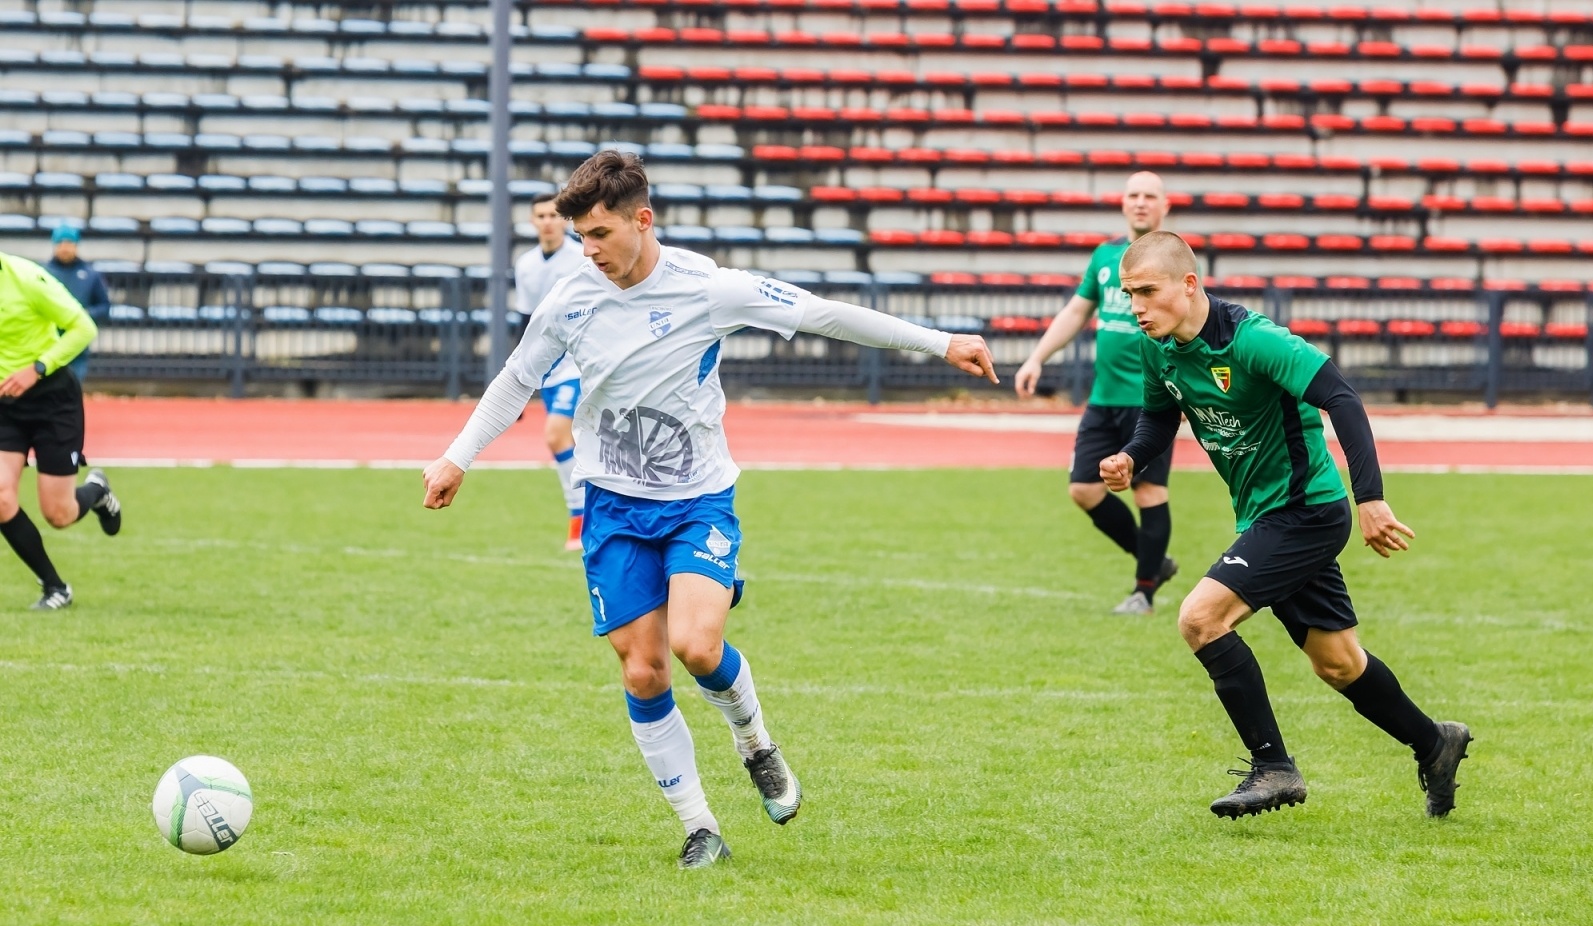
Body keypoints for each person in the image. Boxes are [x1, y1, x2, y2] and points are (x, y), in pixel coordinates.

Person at [423, 151, 998, 867]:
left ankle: (755, 743)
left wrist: (941, 342)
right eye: (579, 237)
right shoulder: (571, 294)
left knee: (698, 646)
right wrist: (458, 455)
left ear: (643, 219)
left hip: (697, 499)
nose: (588, 250)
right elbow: (517, 378)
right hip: (613, 506)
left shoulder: (708, 288)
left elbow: (821, 314)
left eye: (599, 234)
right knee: (643, 671)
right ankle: (700, 827)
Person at [1100, 231, 1470, 819]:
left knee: (1200, 618)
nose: (1136, 307)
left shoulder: (1255, 340)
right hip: (1265, 514)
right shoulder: (1158, 346)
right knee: (1339, 663)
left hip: (1306, 510)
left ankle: (1273, 766)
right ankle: (1436, 743)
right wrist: (1130, 458)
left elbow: (1342, 398)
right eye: (1129, 294)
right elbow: (1158, 418)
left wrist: (1370, 499)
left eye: (1147, 292)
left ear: (1189, 284)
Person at [1016, 172, 1178, 615]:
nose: (1141, 203)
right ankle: (1155, 562)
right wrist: (1037, 357)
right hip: (1104, 398)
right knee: (1084, 489)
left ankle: (1143, 591)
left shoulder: (1175, 261)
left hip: (1152, 400)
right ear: (1123, 205)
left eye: (1150, 196)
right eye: (1133, 196)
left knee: (1148, 492)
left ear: (1166, 207)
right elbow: (1076, 311)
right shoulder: (1105, 257)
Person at [0, 251, 123, 610]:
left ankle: (97, 492)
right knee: (1, 499)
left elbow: (84, 327)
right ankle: (55, 588)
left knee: (59, 514)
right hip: (5, 404)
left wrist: (37, 368)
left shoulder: (27, 279)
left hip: (51, 399)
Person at [514, 194, 589, 550]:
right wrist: (520, 379)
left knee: (556, 436)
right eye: (540, 215)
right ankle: (590, 518)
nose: (547, 221)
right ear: (532, 221)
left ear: (564, 220)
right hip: (549, 368)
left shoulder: (581, 257)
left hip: (578, 364)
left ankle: (579, 521)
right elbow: (527, 322)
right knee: (576, 442)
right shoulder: (525, 264)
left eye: (553, 215)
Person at [40, 225, 110, 383]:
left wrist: (85, 315)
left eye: (69, 243)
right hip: (47, 344)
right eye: (61, 243)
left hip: (77, 345)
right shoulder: (42, 272)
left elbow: (104, 307)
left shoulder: (91, 274)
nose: (65, 248)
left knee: (73, 387)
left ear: (76, 245)